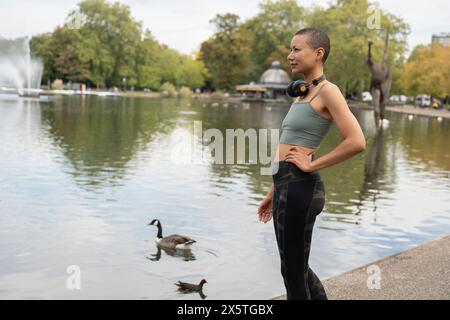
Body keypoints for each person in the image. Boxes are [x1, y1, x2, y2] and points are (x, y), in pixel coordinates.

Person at [257, 28, 366, 300]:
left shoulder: (328, 92)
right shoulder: (303, 93)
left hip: (300, 188)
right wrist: (273, 190)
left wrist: (310, 165)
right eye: (290, 49)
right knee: (296, 268)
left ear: (318, 53)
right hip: (285, 186)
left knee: (292, 273)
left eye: (296, 49)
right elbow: (287, 144)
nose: (289, 55)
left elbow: (356, 141)